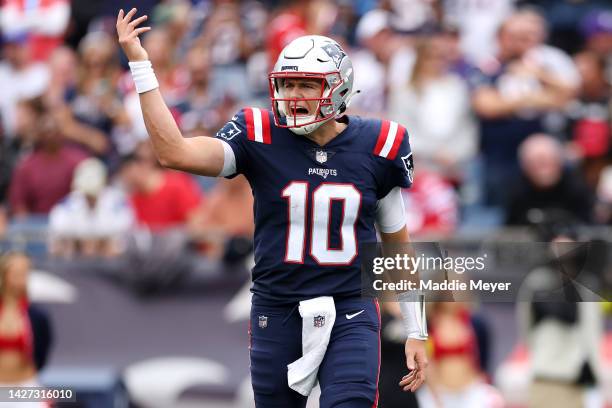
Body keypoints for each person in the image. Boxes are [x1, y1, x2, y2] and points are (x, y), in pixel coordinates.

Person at [117, 9, 428, 408]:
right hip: (278, 307)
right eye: (288, 84)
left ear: (339, 88)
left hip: (350, 309)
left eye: (306, 85)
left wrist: (417, 329)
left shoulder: (379, 143)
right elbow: (174, 152)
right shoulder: (258, 134)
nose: (294, 95)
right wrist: (141, 66)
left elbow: (399, 248)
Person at [0, 252, 53, 408]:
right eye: (16, 273)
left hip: (26, 387)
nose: (21, 278)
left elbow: (42, 351)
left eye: (25, 273)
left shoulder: (36, 316)